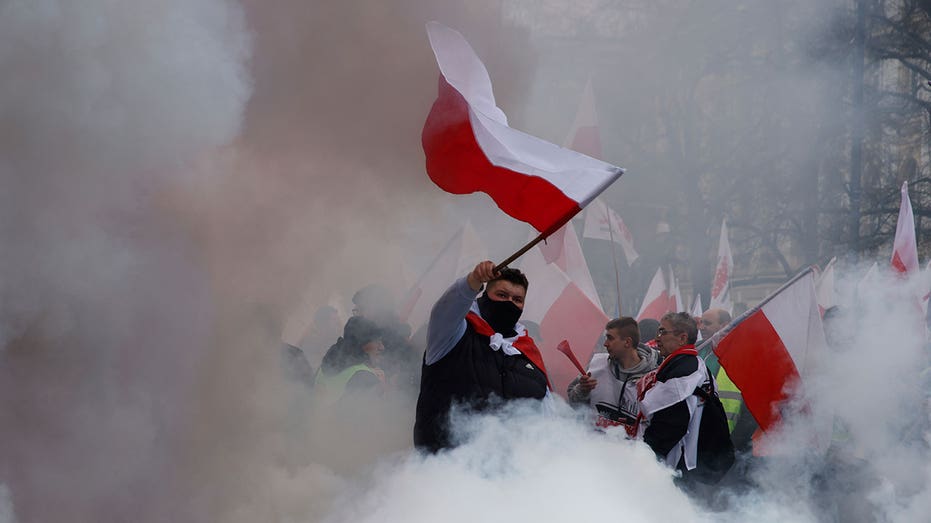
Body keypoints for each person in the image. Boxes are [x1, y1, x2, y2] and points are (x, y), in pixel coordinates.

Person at [413, 261, 550, 452]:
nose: (510, 303)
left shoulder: (529, 356)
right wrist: (472, 281)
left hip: (508, 474)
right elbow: (445, 311)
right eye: (502, 295)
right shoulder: (454, 335)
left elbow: (548, 422)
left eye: (517, 300)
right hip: (444, 468)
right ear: (485, 296)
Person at [637, 312, 730, 483]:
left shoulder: (684, 370)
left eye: (663, 332)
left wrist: (644, 456)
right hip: (694, 463)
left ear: (682, 338)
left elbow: (670, 424)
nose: (657, 338)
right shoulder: (689, 363)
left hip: (683, 465)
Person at [567, 317, 659, 436]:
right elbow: (574, 404)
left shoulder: (654, 377)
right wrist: (582, 390)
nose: (605, 344)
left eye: (610, 338)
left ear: (627, 342)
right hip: (593, 448)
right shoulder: (597, 366)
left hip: (634, 452)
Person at [351, 284, 419, 392]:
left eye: (360, 310)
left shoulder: (398, 342)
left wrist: (397, 381)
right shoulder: (358, 338)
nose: (356, 315)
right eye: (355, 311)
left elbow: (413, 376)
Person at [314, 316, 387, 406]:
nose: (381, 347)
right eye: (377, 341)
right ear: (361, 343)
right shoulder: (365, 378)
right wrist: (381, 390)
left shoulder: (324, 365)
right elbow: (372, 417)